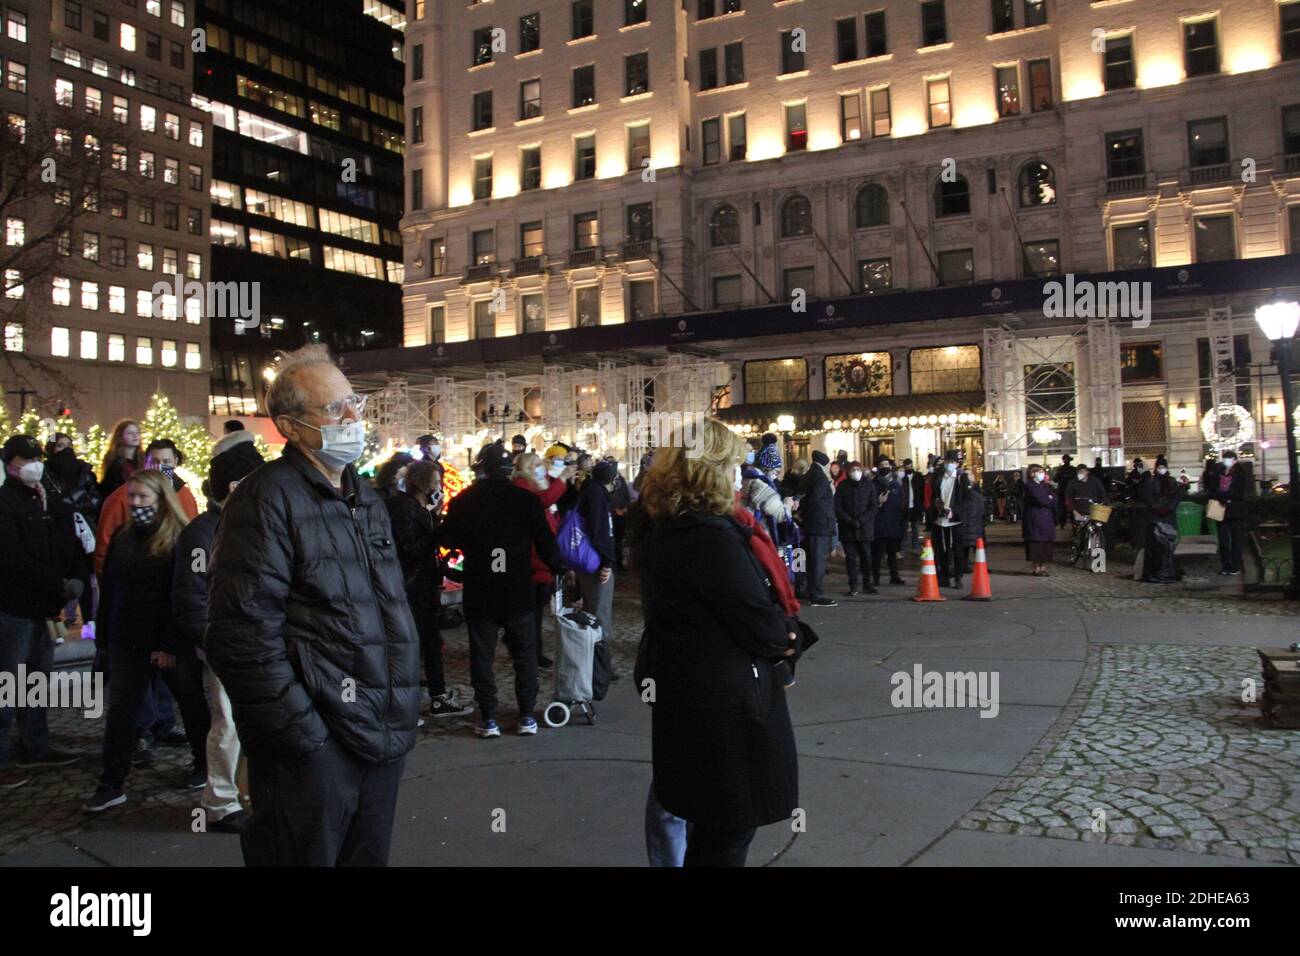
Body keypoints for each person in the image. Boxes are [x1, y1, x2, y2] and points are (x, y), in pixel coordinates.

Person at [206, 344, 420, 866]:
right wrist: (305, 739)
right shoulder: (265, 498)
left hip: (379, 734)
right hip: (315, 750)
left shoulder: (363, 496)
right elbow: (241, 636)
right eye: (333, 409)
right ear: (289, 426)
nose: (352, 418)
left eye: (354, 403)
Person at [637, 418, 801, 867]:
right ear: (710, 470)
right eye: (732, 464)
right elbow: (757, 620)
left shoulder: (667, 525)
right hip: (724, 703)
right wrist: (785, 635)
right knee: (726, 829)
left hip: (689, 690)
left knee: (712, 823)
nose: (738, 475)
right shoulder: (709, 536)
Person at [84, 470, 210, 812]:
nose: (136, 503)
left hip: (167, 643)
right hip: (128, 640)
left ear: (161, 501)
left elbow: (180, 595)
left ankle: (204, 764)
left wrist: (169, 645)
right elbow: (111, 590)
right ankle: (111, 783)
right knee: (122, 714)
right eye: (132, 497)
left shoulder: (179, 539)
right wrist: (105, 639)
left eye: (143, 497)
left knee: (191, 705)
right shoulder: (125, 537)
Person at [170, 429, 264, 833]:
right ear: (233, 486)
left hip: (255, 644)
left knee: (250, 725)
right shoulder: (202, 533)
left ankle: (244, 793)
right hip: (225, 648)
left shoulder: (247, 525)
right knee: (226, 724)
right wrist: (214, 641)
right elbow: (189, 598)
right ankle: (220, 802)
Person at [433, 442, 561, 738]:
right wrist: (557, 569)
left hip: (481, 589)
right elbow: (545, 542)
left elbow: (448, 536)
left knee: (482, 657)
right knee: (525, 656)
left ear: (482, 467)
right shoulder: (526, 500)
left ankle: (488, 717)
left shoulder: (466, 499)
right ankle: (526, 715)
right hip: (518, 589)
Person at [0, 436, 83, 790]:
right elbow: (13, 559)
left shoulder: (45, 499)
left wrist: (74, 577)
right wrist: (59, 582)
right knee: (7, 685)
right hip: (13, 609)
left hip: (43, 609)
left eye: (37, 457)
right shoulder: (5, 503)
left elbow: (65, 543)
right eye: (26, 458)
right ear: (10, 463)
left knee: (35, 683)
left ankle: (35, 744)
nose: (34, 463)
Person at [385, 459, 474, 718]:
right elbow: (412, 548)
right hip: (411, 589)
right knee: (410, 647)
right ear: (424, 483)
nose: (440, 485)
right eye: (436, 481)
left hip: (423, 587)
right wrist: (437, 531)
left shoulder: (418, 509)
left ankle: (438, 697)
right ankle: (404, 707)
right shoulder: (405, 508)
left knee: (431, 644)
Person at [94, 440, 199, 579]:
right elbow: (104, 549)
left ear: (175, 462)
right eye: (155, 461)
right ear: (146, 462)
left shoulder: (185, 495)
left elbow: (194, 538)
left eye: (166, 461)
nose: (160, 467)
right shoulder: (120, 498)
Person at [512, 452, 567, 669]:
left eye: (539, 464)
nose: (539, 467)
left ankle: (534, 651)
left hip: (542, 560)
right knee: (531, 613)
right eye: (534, 465)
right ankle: (529, 653)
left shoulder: (536, 487)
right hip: (533, 560)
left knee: (536, 612)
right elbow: (545, 500)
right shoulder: (525, 489)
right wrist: (561, 481)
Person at [42, 440, 102, 628]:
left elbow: (95, 499)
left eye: (68, 444)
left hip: (81, 533)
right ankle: (57, 621)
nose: (66, 449)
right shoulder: (46, 473)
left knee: (83, 576)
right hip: (55, 533)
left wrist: (69, 502)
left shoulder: (84, 471)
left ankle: (88, 621)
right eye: (60, 445)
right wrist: (73, 499)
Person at [575, 458, 619, 646]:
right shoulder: (597, 495)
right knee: (599, 614)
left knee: (592, 608)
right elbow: (600, 531)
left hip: (589, 559)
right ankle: (600, 666)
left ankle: (594, 663)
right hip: (595, 561)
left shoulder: (590, 491)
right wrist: (607, 562)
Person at [796, 450, 837, 607]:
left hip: (811, 523)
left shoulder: (810, 474)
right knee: (818, 561)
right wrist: (804, 511)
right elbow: (814, 499)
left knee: (810, 559)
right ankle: (816, 594)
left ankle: (806, 589)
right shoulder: (820, 477)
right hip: (819, 524)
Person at [834, 461, 878, 596]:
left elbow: (873, 507)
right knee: (851, 558)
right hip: (848, 528)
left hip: (865, 528)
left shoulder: (869, 486)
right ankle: (853, 585)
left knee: (866, 557)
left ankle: (867, 583)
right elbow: (838, 507)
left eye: (858, 469)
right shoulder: (842, 486)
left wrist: (861, 520)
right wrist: (849, 520)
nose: (856, 472)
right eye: (853, 469)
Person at [926, 452, 968, 589]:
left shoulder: (962, 478)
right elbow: (933, 496)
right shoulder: (938, 477)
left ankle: (958, 577)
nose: (949, 464)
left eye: (953, 462)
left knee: (957, 550)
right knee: (941, 550)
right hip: (940, 519)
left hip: (955, 520)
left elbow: (966, 500)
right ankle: (943, 577)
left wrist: (953, 511)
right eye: (947, 461)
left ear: (957, 464)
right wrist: (937, 505)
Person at [1141, 457, 1184, 583]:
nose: (1161, 469)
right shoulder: (1151, 481)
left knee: (1169, 547)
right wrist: (1157, 508)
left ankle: (1167, 572)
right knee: (1156, 547)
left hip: (1169, 519)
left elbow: (1176, 497)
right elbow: (1148, 497)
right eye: (1159, 467)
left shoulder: (1171, 481)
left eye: (1163, 467)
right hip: (1155, 518)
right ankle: (1155, 573)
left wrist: (1169, 508)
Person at [1210, 449, 1249, 576]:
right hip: (1221, 510)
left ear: (1235, 461)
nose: (1226, 461)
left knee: (1236, 539)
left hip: (1235, 511)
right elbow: (1212, 488)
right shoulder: (1219, 471)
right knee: (1223, 539)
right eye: (1225, 458)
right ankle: (1226, 564)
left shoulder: (1240, 473)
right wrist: (1219, 495)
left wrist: (1224, 495)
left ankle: (1235, 565)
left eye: (1229, 459)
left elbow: (1240, 492)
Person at [871, 459, 906, 586]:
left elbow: (902, 504)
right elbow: (869, 503)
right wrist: (878, 501)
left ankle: (894, 576)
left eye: (886, 465)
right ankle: (875, 577)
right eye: (881, 465)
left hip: (893, 523)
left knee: (892, 553)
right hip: (878, 523)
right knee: (877, 553)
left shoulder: (896, 484)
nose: (884, 467)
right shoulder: (873, 484)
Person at [1022, 464, 1058, 576]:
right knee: (1036, 543)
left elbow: (1054, 499)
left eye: (1042, 472)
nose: (1042, 474)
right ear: (1032, 474)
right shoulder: (1030, 486)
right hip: (1035, 518)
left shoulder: (1045, 486)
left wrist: (1049, 499)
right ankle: (1036, 567)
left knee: (1046, 543)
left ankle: (1043, 566)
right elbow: (1042, 500)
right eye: (1039, 472)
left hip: (1046, 518)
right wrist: (1049, 499)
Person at [98, 419, 143, 498]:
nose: (135, 436)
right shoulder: (115, 464)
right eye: (130, 433)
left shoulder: (144, 460)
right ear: (120, 437)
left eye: (137, 433)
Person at [958, 469, 987, 576]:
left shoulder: (976, 490)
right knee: (966, 547)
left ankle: (980, 565)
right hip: (969, 523)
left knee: (977, 547)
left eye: (970, 473)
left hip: (975, 523)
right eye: (967, 474)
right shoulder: (964, 491)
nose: (969, 476)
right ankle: (966, 565)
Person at [607, 457, 631, 573]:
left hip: (622, 514)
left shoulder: (621, 480)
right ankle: (613, 564)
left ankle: (620, 562)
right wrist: (614, 510)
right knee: (612, 540)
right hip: (612, 514)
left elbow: (626, 495)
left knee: (620, 540)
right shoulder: (606, 480)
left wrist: (625, 508)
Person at [901, 459, 925, 553]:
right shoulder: (902, 478)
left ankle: (915, 546)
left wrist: (921, 505)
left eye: (909, 467)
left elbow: (922, 491)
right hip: (905, 506)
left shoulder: (918, 476)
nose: (908, 469)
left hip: (915, 505)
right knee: (904, 528)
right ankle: (904, 547)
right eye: (906, 467)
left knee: (915, 527)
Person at [1052, 454, 1074, 527]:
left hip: (1063, 491)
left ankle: (1062, 523)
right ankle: (1074, 523)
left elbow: (1055, 479)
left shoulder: (1060, 470)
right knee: (1072, 508)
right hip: (1071, 492)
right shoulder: (1073, 470)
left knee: (1062, 508)